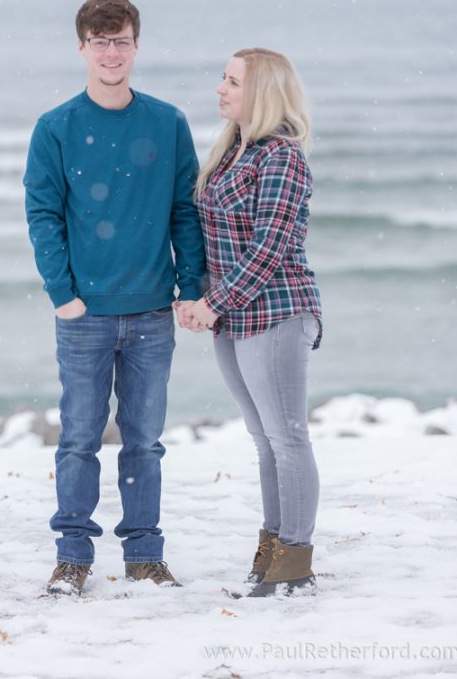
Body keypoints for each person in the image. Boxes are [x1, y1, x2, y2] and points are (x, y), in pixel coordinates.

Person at [23, 0, 205, 596]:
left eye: (120, 40)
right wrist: (62, 294)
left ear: (136, 45)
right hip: (84, 315)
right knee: (78, 438)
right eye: (99, 42)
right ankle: (72, 556)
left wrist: (190, 287)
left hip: (153, 311)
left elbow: (185, 209)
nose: (111, 52)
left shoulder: (167, 122)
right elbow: (43, 214)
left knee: (145, 441)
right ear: (81, 48)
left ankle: (144, 556)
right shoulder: (56, 127)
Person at [180, 48, 322, 597]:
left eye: (232, 81)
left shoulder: (281, 157)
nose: (220, 88)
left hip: (278, 312)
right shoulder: (231, 151)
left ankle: (296, 563)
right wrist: (194, 298)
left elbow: (269, 248)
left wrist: (213, 305)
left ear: (260, 92)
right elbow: (214, 240)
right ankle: (273, 547)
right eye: (223, 78)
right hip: (234, 316)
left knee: (287, 439)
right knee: (265, 441)